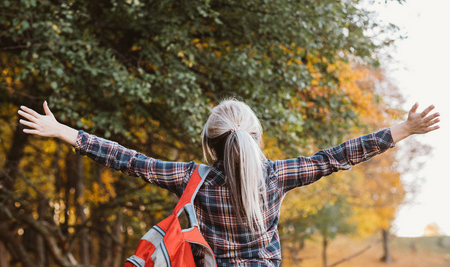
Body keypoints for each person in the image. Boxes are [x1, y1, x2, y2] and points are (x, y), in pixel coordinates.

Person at [17, 99, 440, 266]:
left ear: (209, 145)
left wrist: (64, 132)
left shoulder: (193, 178)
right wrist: (402, 129)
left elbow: (129, 160)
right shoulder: (277, 176)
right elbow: (336, 158)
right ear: (256, 139)